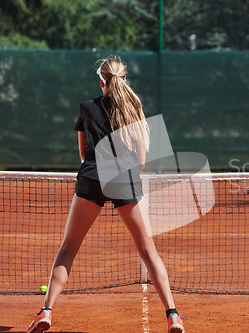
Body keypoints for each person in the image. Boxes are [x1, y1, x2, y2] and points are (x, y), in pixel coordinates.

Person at [27, 55, 185, 333]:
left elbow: (81, 153)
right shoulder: (134, 110)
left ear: (101, 81)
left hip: (91, 178)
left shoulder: (86, 108)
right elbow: (141, 161)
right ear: (124, 80)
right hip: (125, 180)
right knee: (148, 252)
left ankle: (46, 311)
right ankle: (173, 315)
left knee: (68, 249)